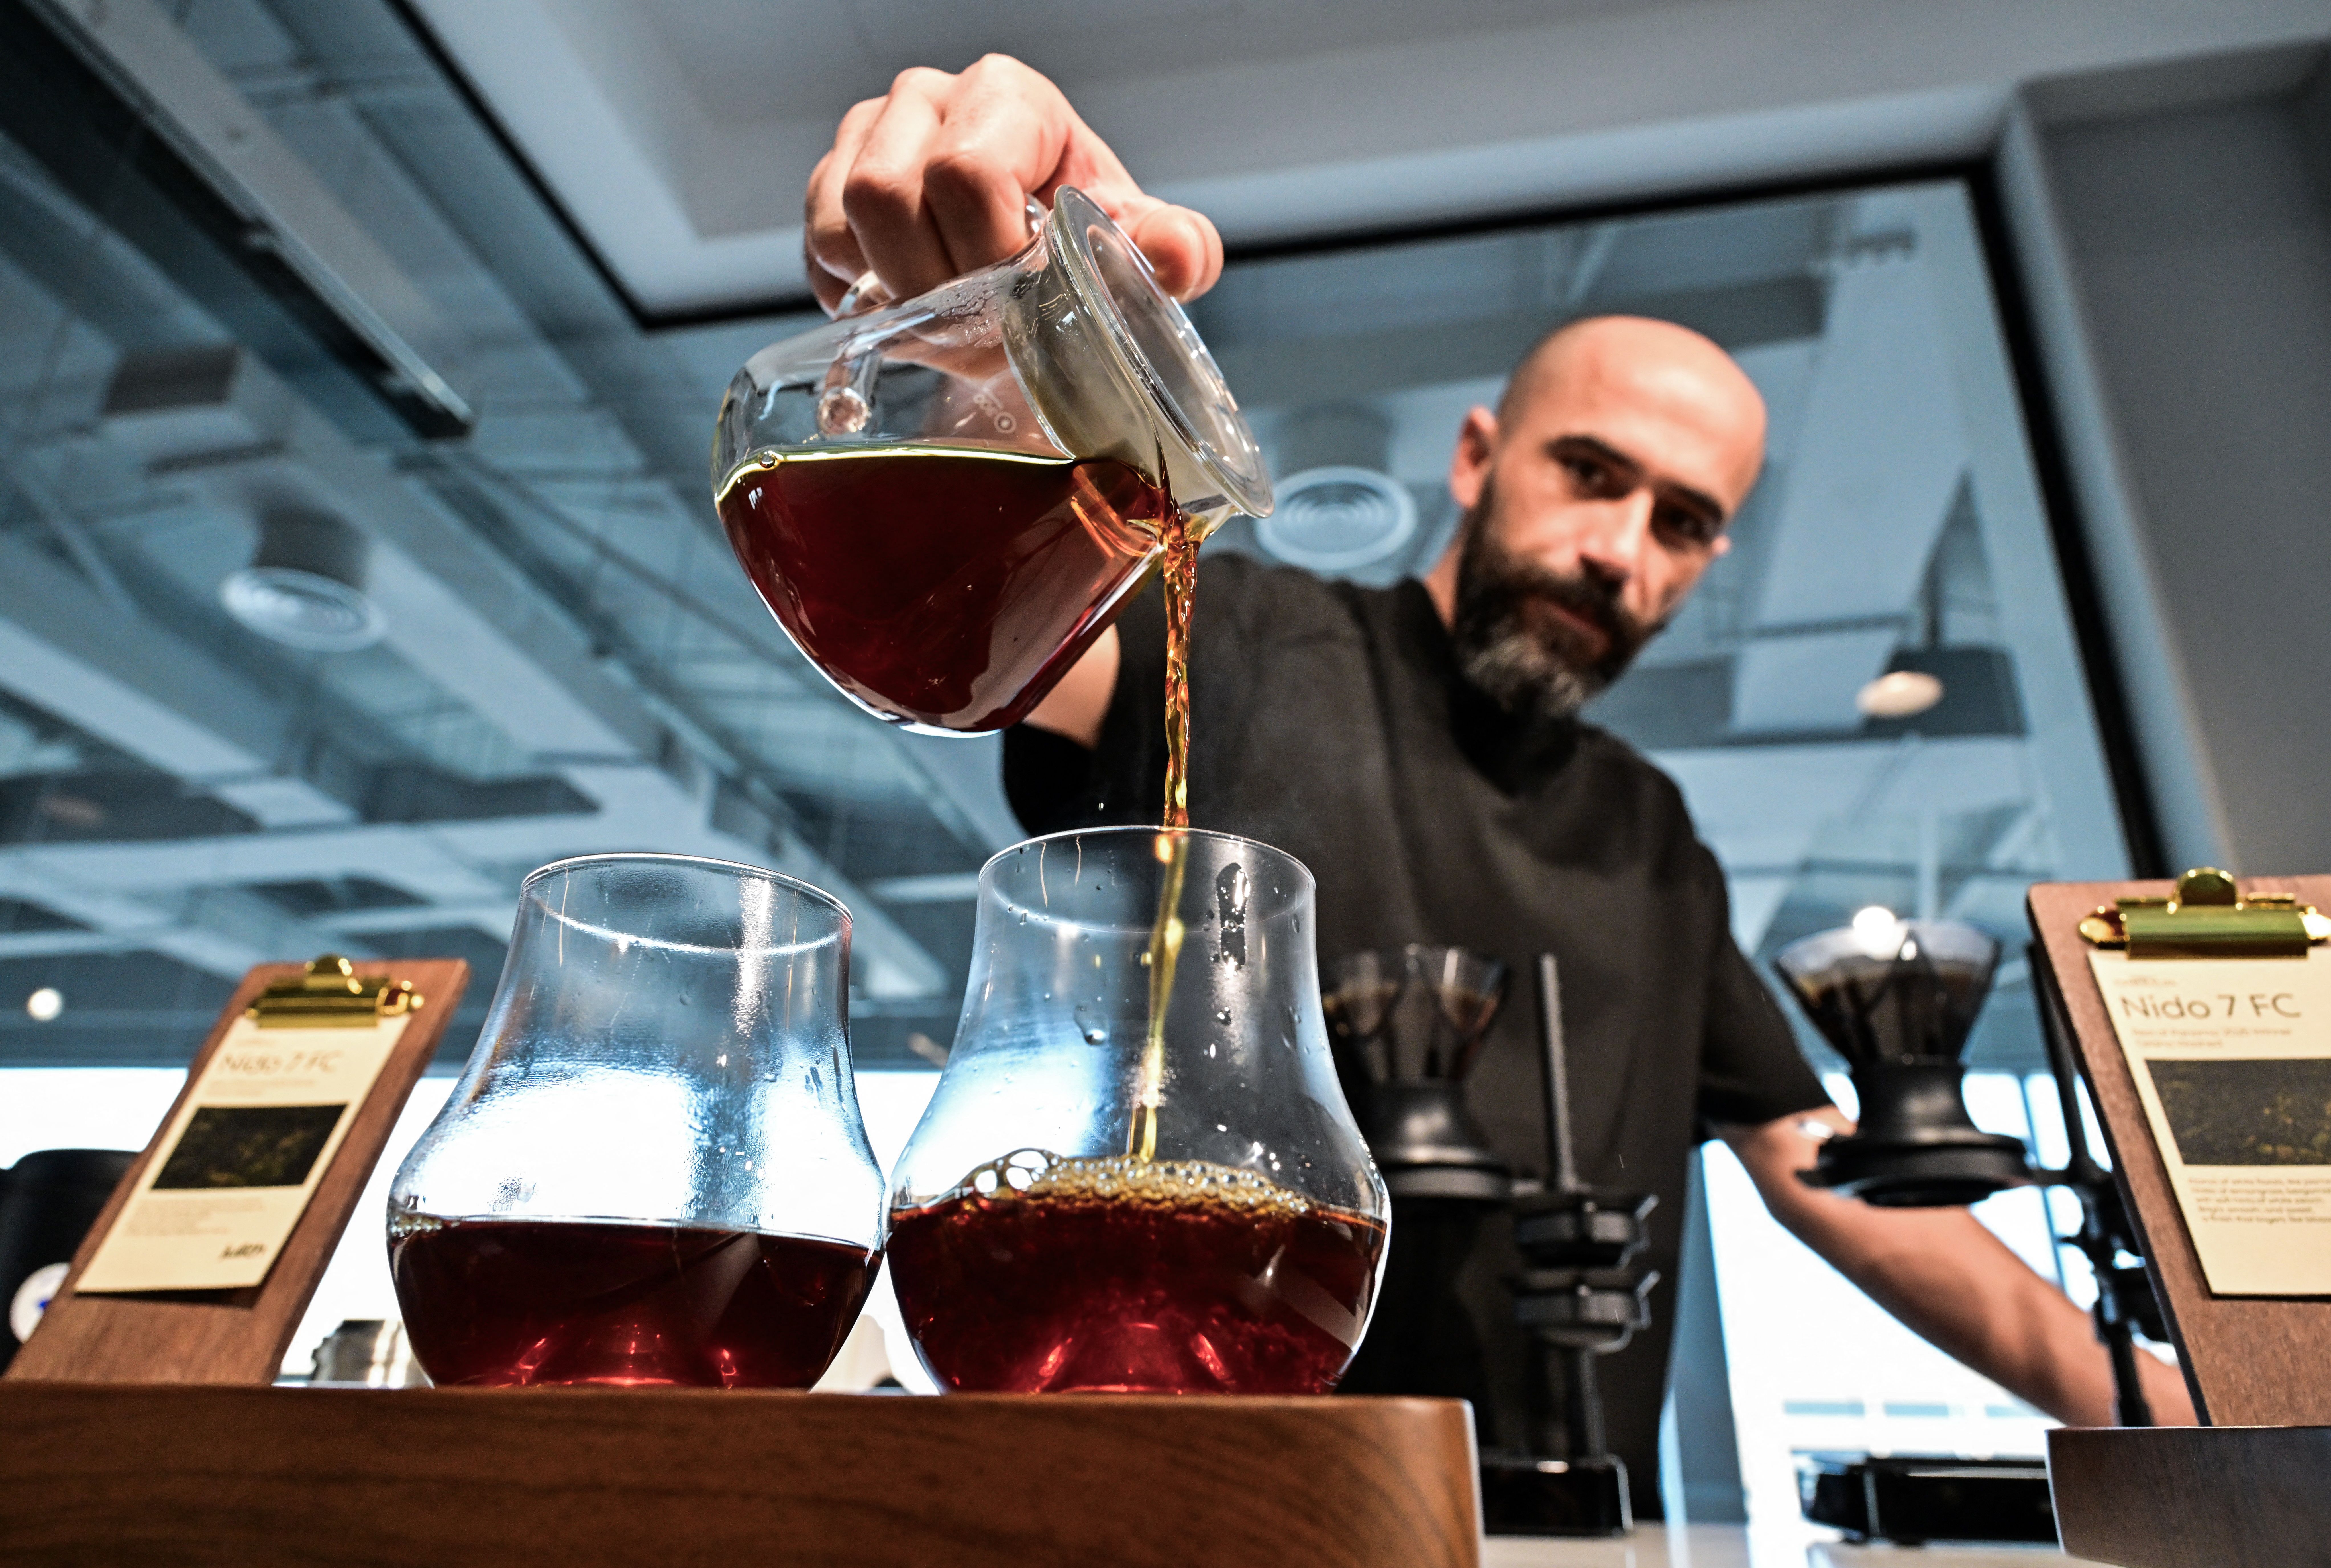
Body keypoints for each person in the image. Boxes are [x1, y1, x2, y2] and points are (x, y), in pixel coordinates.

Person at [804, 55, 2195, 1511]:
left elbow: (1815, 1166)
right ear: (1478, 455)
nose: (1621, 548)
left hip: (1582, 1523)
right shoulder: (1242, 633)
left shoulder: (1651, 834)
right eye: (1593, 474)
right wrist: (950, 343)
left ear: (1710, 562)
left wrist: (2166, 1402)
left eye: (1681, 520)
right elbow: (956, 624)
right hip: (1214, 1496)